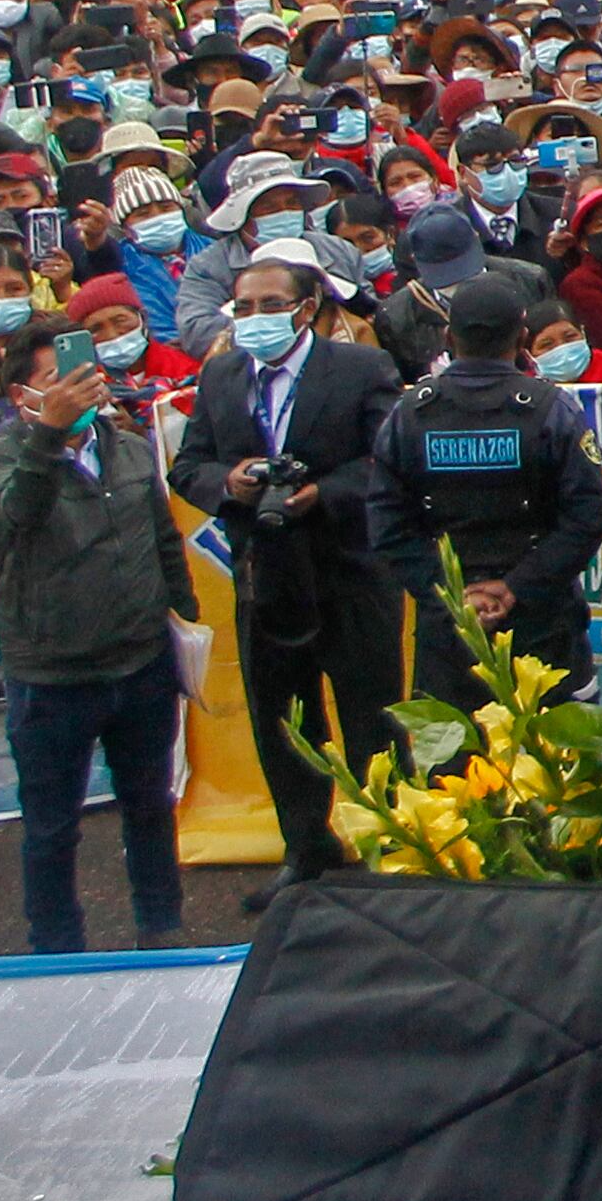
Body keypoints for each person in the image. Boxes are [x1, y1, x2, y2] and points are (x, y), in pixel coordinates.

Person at [167, 249, 414, 910]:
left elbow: (390, 461)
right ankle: (306, 848)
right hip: (266, 576)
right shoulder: (221, 376)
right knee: (283, 720)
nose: (255, 318)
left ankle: (391, 847)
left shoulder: (360, 367)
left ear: (306, 309)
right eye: (244, 307)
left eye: (270, 305)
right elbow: (187, 466)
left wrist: (322, 492)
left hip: (351, 569)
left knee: (372, 716)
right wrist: (231, 481)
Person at [0, 325, 199, 956]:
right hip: (52, 678)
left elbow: (161, 537)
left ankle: (162, 927)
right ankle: (56, 948)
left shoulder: (124, 447)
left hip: (141, 665)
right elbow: (15, 516)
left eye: (84, 375)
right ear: (21, 396)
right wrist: (47, 438)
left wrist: (183, 618)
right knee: (51, 826)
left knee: (150, 805)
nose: (78, 387)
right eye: (57, 380)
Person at [370, 276, 602, 692]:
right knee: (555, 755)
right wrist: (516, 588)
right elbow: (588, 516)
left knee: (456, 753)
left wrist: (452, 594)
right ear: (522, 339)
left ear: (448, 337)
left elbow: (387, 523)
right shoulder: (552, 409)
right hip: (544, 625)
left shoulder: (409, 414)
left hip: (450, 632)